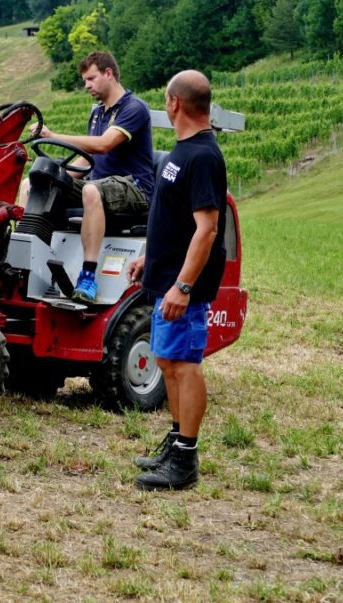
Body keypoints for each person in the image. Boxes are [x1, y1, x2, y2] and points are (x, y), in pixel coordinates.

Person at [126, 70, 227, 491]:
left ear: (174, 104)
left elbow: (206, 229)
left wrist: (183, 287)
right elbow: (175, 218)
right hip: (164, 277)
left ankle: (186, 458)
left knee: (185, 366)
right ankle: (175, 440)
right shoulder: (182, 153)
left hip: (182, 287)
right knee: (168, 362)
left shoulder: (203, 156)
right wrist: (150, 256)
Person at [23, 51, 154, 303]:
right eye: (84, 80)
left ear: (108, 73)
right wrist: (57, 177)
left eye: (91, 79)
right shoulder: (97, 113)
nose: (87, 86)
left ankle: (88, 277)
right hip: (99, 184)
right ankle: (27, 262)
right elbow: (86, 160)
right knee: (34, 183)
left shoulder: (133, 108)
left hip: (134, 188)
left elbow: (104, 145)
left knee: (90, 190)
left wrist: (53, 136)